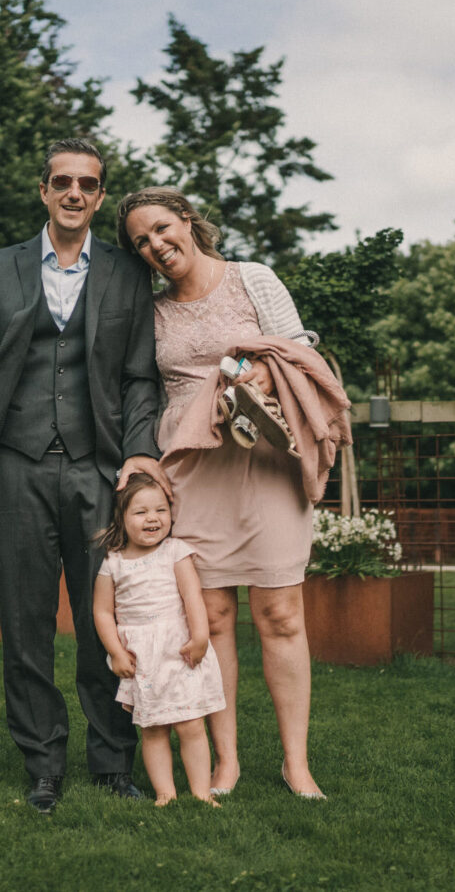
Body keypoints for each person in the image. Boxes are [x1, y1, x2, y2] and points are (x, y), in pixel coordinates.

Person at [0, 139, 170, 816]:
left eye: (87, 184)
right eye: (61, 182)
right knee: (24, 623)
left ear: (99, 197)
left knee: (108, 625)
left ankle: (111, 760)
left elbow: (139, 378)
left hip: (98, 471)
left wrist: (139, 452)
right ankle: (43, 762)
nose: (73, 193)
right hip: (14, 466)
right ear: (43, 191)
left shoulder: (127, 272)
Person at [117, 186, 351, 801]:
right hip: (193, 465)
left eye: (163, 228)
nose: (156, 245)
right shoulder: (153, 310)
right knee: (212, 615)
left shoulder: (253, 278)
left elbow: (301, 350)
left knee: (280, 614)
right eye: (142, 241)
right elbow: (140, 388)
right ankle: (227, 761)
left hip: (264, 457)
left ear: (189, 221)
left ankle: (296, 764)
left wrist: (255, 377)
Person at [93, 472, 226, 806]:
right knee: (153, 728)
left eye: (161, 510)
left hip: (178, 650)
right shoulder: (113, 562)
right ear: (122, 518)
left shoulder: (175, 551)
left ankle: (200, 791)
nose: (152, 518)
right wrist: (116, 652)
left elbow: (192, 597)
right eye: (140, 512)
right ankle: (165, 792)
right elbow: (103, 613)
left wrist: (200, 637)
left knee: (191, 724)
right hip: (143, 657)